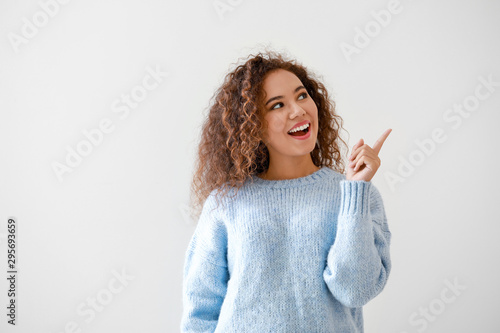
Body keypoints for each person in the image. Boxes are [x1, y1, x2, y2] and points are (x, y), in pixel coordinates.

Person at [181, 49, 392, 332]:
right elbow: (201, 309)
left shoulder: (355, 196)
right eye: (277, 105)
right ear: (252, 125)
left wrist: (355, 190)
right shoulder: (226, 203)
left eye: (302, 95)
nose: (298, 110)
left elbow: (356, 290)